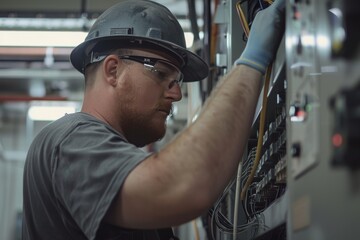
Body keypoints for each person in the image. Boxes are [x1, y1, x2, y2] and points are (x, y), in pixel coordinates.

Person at [22, 0, 285, 239]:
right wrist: (251, 63)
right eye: (161, 74)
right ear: (113, 71)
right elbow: (183, 187)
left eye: (177, 81)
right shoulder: (73, 140)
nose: (178, 94)